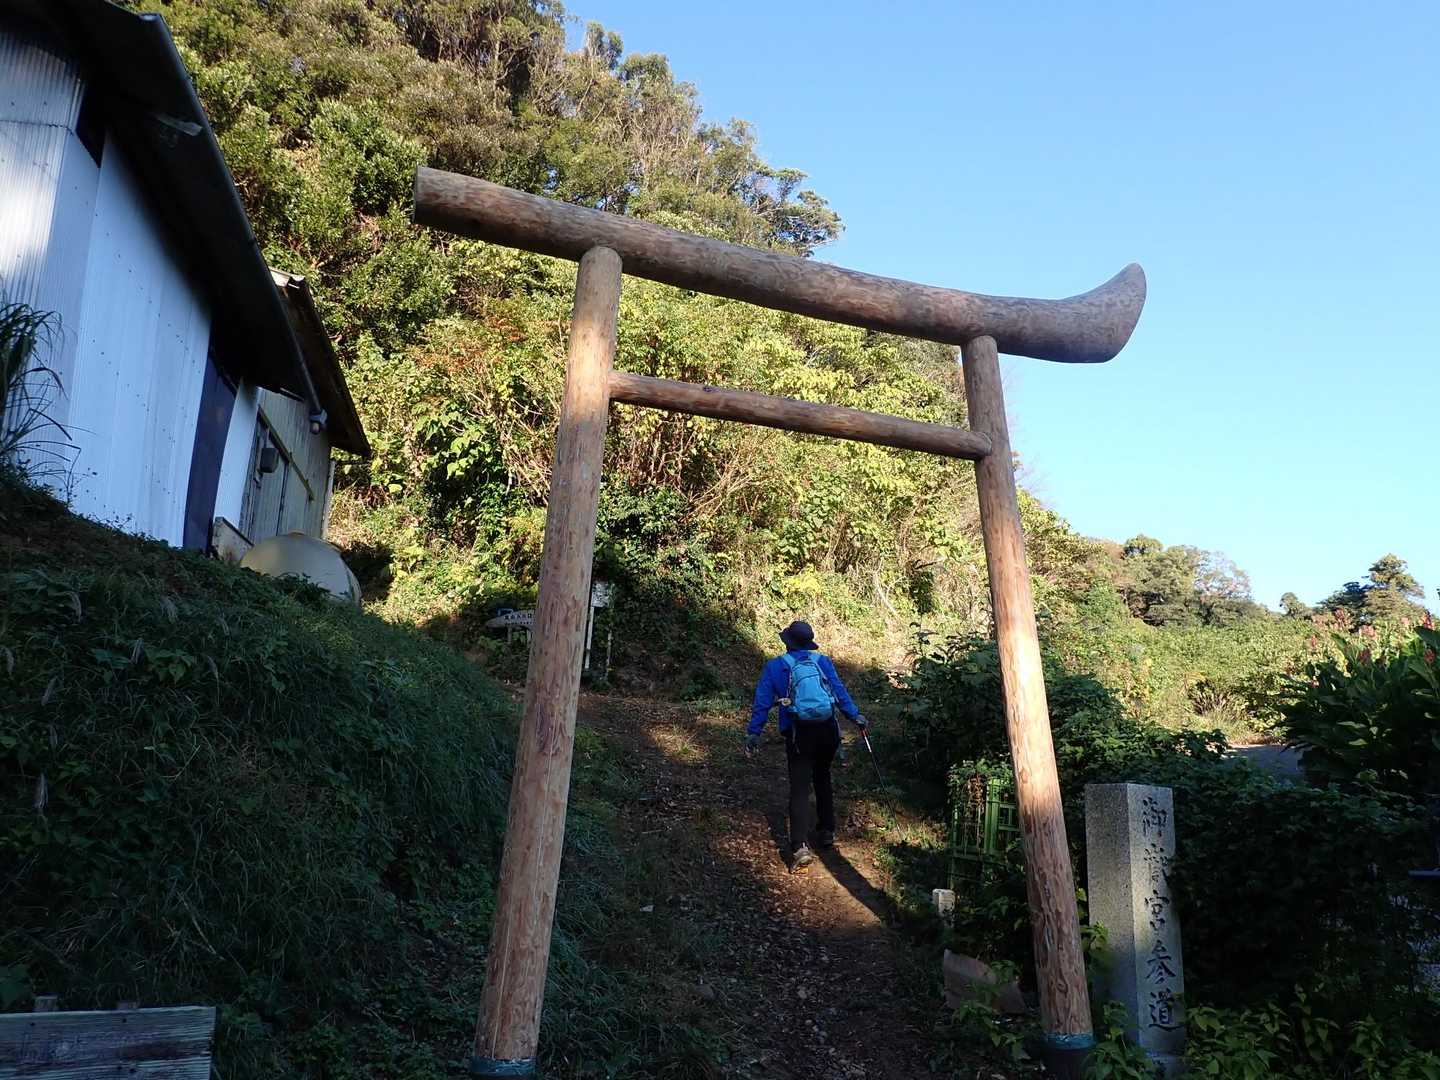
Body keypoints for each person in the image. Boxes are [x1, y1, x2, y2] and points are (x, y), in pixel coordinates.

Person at [745, 620, 867, 872]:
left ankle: (800, 847)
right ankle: (827, 831)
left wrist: (754, 733)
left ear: (788, 642)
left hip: (799, 733)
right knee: (822, 777)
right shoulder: (822, 662)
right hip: (827, 730)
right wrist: (854, 715)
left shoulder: (776, 666)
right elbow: (839, 692)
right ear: (809, 643)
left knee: (800, 787)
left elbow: (762, 702)